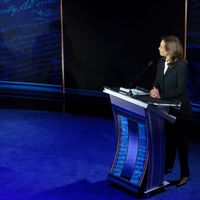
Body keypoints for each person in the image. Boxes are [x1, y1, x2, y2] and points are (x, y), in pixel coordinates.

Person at [150, 35, 191, 187]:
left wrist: (161, 96)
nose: (159, 48)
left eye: (161, 46)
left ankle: (185, 174)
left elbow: (180, 89)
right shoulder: (161, 62)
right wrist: (154, 90)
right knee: (169, 140)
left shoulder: (182, 65)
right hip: (165, 108)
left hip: (180, 110)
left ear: (170, 48)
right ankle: (167, 167)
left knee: (180, 142)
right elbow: (157, 80)